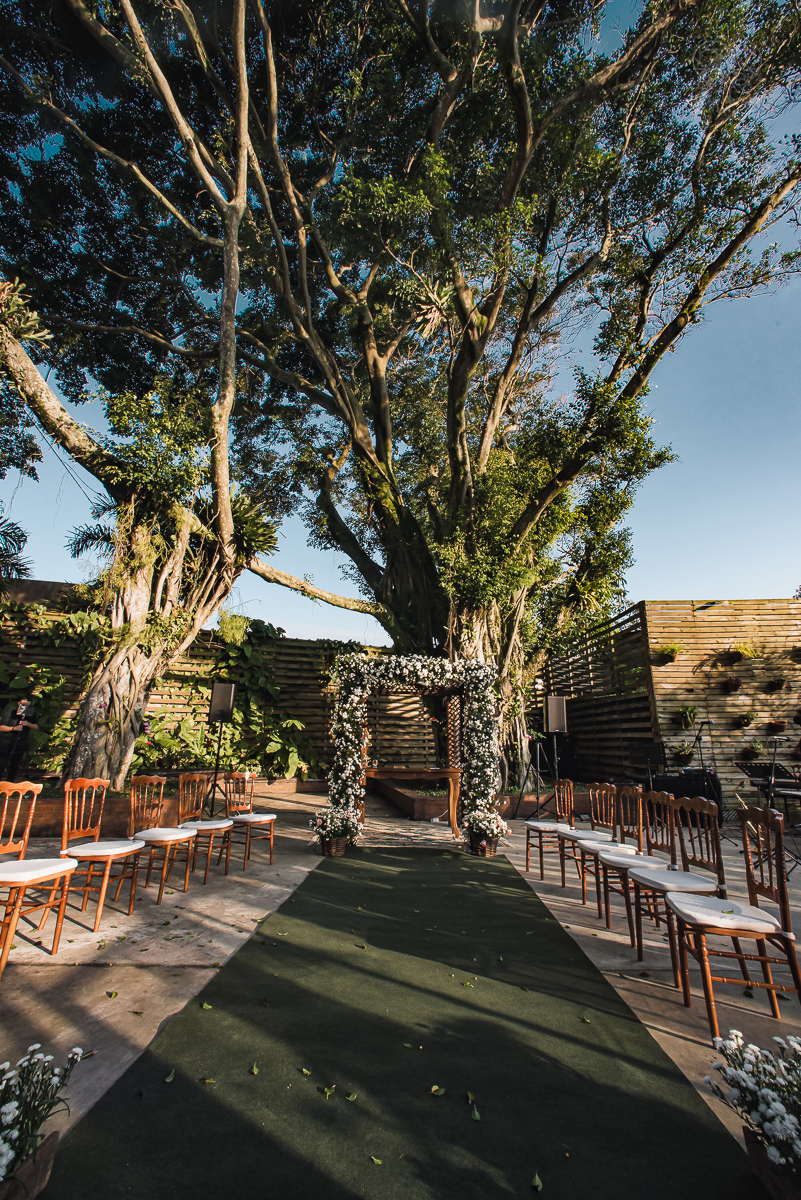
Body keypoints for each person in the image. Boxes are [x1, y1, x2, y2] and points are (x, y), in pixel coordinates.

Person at [0, 695, 38, 782]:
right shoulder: (10, 712)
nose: (25, 707)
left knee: (15, 764)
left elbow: (36, 726)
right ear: (19, 703)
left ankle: (10, 783)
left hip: (21, 742)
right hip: (6, 741)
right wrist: (13, 728)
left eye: (27, 705)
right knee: (2, 763)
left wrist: (28, 724)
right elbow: (1, 727)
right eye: (23, 705)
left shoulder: (31, 714)